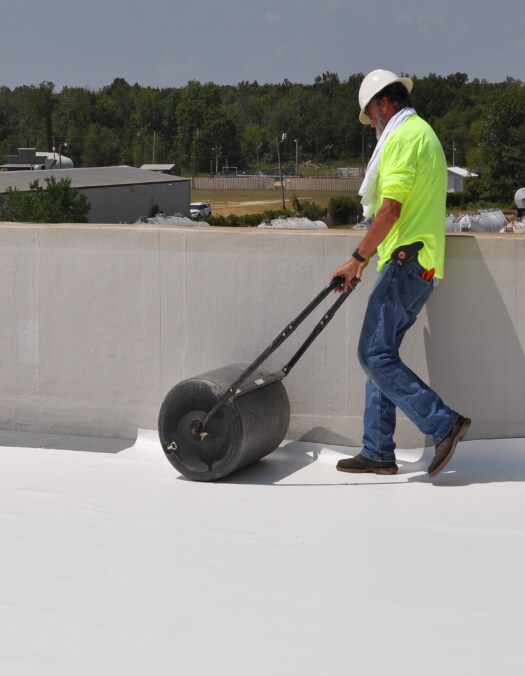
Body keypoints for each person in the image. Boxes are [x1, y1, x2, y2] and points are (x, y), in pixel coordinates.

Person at [331, 69, 470, 478]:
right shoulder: (420, 133)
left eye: (371, 113)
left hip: (407, 262)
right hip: (417, 262)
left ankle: (443, 422)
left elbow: (390, 210)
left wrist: (356, 258)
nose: (371, 123)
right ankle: (377, 450)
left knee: (371, 354)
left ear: (384, 104)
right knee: (381, 355)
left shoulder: (404, 138)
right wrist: (366, 260)